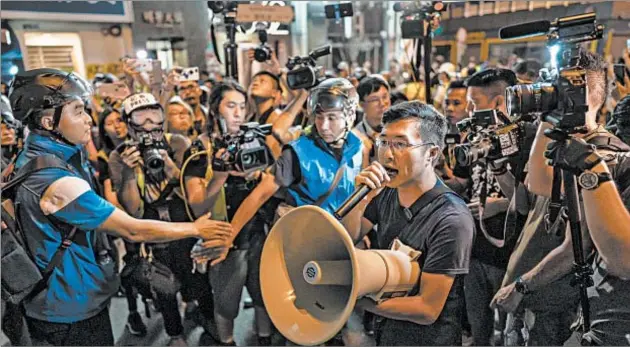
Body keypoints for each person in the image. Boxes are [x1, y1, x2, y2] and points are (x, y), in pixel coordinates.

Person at [7, 68, 231, 346]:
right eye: (78, 111)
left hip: (58, 297)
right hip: (70, 309)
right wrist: (196, 227)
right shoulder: (55, 180)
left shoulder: (36, 158)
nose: (89, 120)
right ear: (47, 121)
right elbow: (132, 229)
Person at [491, 50, 630, 346]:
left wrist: (522, 286)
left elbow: (584, 249)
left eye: (558, 87)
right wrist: (552, 114)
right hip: (555, 304)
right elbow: (538, 183)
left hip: (566, 307)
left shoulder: (608, 157)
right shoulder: (566, 150)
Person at [341, 101, 474, 346]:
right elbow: (352, 234)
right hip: (388, 332)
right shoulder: (387, 191)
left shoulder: (451, 218)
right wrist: (361, 199)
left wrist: (352, 298)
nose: (387, 154)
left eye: (400, 144)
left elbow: (427, 308)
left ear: (432, 153)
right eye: (383, 142)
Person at [193, 77, 363, 262]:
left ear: (350, 115)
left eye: (332, 117)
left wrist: (361, 232)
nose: (323, 126)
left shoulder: (359, 147)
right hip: (304, 246)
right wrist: (228, 239)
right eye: (319, 117)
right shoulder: (299, 151)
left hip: (343, 244)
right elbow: (260, 194)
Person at [108, 92, 214, 345]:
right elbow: (133, 211)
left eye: (154, 116)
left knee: (198, 283)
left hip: (185, 225)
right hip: (154, 232)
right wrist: (129, 172)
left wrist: (167, 163)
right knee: (164, 288)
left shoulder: (177, 143)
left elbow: (191, 194)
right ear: (128, 124)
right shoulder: (118, 156)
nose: (148, 126)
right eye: (140, 118)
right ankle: (175, 334)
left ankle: (206, 320)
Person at [183, 80, 276, 346]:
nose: (238, 113)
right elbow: (197, 205)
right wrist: (220, 175)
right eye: (230, 106)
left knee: (262, 296)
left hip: (258, 234)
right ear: (215, 110)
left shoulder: (256, 141)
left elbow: (271, 184)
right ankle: (227, 341)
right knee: (226, 303)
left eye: (242, 107)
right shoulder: (200, 149)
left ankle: (264, 339)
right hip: (222, 238)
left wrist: (258, 174)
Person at [354, 75, 391, 166]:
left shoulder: (402, 129)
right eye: (374, 99)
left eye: (385, 97)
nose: (382, 103)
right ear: (362, 104)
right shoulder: (356, 137)